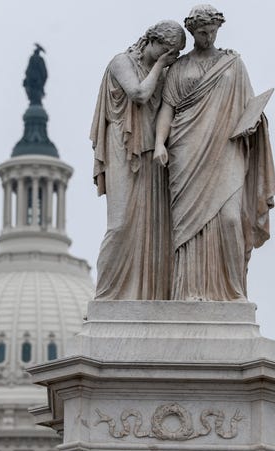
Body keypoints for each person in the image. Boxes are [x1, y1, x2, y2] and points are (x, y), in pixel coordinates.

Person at [154, 5, 275, 301]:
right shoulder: (179, 68)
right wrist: (159, 143)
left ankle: (233, 293)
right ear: (192, 33)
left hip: (226, 148)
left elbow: (249, 106)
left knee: (231, 220)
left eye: (210, 31)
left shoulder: (233, 64)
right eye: (200, 32)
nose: (206, 37)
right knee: (188, 227)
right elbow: (167, 109)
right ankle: (189, 291)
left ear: (219, 29)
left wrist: (253, 123)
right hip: (186, 150)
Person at [91, 21, 186, 300]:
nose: (171, 59)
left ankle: (146, 295)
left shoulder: (165, 74)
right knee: (120, 224)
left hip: (151, 152)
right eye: (167, 51)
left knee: (151, 227)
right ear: (151, 42)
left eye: (176, 54)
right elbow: (139, 94)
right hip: (122, 144)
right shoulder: (121, 62)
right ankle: (106, 296)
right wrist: (161, 65)